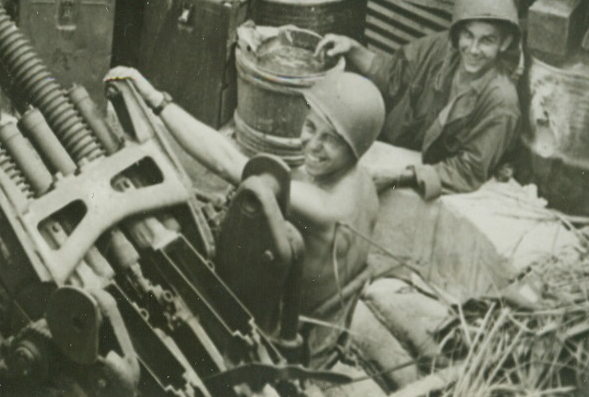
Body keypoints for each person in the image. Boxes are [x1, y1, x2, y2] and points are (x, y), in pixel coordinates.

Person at [107, 65, 383, 365]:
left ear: (355, 147)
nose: (313, 144)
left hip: (282, 339)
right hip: (322, 324)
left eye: (331, 140)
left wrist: (156, 100)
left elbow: (227, 162)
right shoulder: (363, 183)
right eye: (310, 127)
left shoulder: (324, 207)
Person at [316, 0, 523, 199]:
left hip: (445, 182)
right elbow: (393, 74)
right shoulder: (441, 49)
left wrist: (401, 177)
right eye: (468, 35)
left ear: (504, 43)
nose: (473, 49)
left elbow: (468, 171)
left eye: (487, 40)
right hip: (406, 156)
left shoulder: (502, 101)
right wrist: (352, 48)